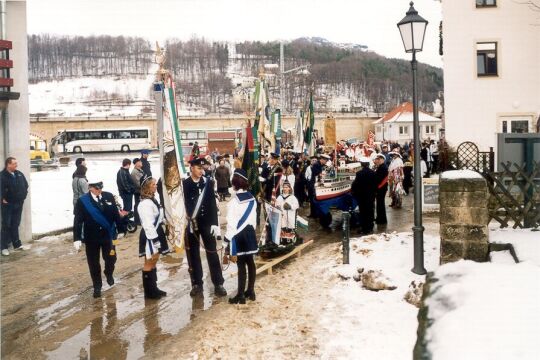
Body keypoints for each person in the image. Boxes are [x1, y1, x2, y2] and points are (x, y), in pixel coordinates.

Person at [73, 179, 126, 298]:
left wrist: (121, 229)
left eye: (100, 188)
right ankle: (97, 285)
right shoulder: (82, 201)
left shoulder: (108, 196)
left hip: (108, 235)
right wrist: (76, 238)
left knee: (111, 258)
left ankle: (108, 273)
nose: (99, 190)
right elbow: (78, 220)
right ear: (90, 188)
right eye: (97, 188)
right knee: (93, 263)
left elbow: (115, 214)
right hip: (91, 237)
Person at [183, 158, 227, 297]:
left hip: (207, 222)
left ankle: (218, 283)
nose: (201, 171)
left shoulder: (208, 183)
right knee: (193, 255)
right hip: (191, 224)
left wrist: (215, 223)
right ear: (191, 168)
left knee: (212, 252)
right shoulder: (184, 184)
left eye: (202, 169)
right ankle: (196, 283)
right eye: (198, 168)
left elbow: (211, 204)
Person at [224, 169, 258, 304]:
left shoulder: (233, 203)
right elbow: (254, 221)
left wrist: (226, 241)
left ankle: (240, 295)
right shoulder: (253, 199)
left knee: (241, 265)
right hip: (250, 233)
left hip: (238, 236)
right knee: (251, 262)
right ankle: (250, 291)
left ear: (235, 183)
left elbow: (232, 225)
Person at [138, 177, 170, 299]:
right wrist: (154, 240)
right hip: (150, 235)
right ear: (146, 187)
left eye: (156, 184)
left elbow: (157, 217)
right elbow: (147, 223)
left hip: (156, 232)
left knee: (154, 260)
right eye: (153, 184)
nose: (155, 186)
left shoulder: (152, 200)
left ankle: (154, 288)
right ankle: (149, 292)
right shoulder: (145, 203)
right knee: (149, 261)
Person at [1, 157, 29, 256]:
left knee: (15, 224)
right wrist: (2, 199)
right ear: (8, 164)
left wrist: (24, 195)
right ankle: (3, 247)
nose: (16, 165)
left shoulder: (19, 174)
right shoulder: (2, 176)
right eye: (14, 163)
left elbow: (25, 185)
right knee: (6, 225)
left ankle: (17, 244)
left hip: (19, 203)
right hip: (8, 205)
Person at [351, 157, 377, 235]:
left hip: (361, 196)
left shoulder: (359, 173)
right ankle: (370, 227)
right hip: (370, 196)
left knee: (363, 212)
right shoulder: (373, 173)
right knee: (370, 210)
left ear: (361, 164)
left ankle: (364, 228)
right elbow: (375, 185)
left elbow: (355, 184)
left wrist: (354, 193)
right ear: (368, 164)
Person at [373, 154, 388, 226]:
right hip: (382, 188)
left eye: (378, 159)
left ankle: (381, 219)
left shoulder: (382, 167)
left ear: (382, 159)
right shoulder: (381, 167)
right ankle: (380, 218)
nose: (377, 160)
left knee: (380, 204)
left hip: (381, 188)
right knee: (379, 204)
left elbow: (378, 178)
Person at [131, 158, 144, 224]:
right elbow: (138, 184)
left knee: (141, 205)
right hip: (138, 192)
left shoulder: (140, 170)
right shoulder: (134, 172)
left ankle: (140, 219)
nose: (141, 163)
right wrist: (146, 185)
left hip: (142, 191)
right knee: (138, 206)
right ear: (136, 164)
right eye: (139, 162)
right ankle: (137, 221)